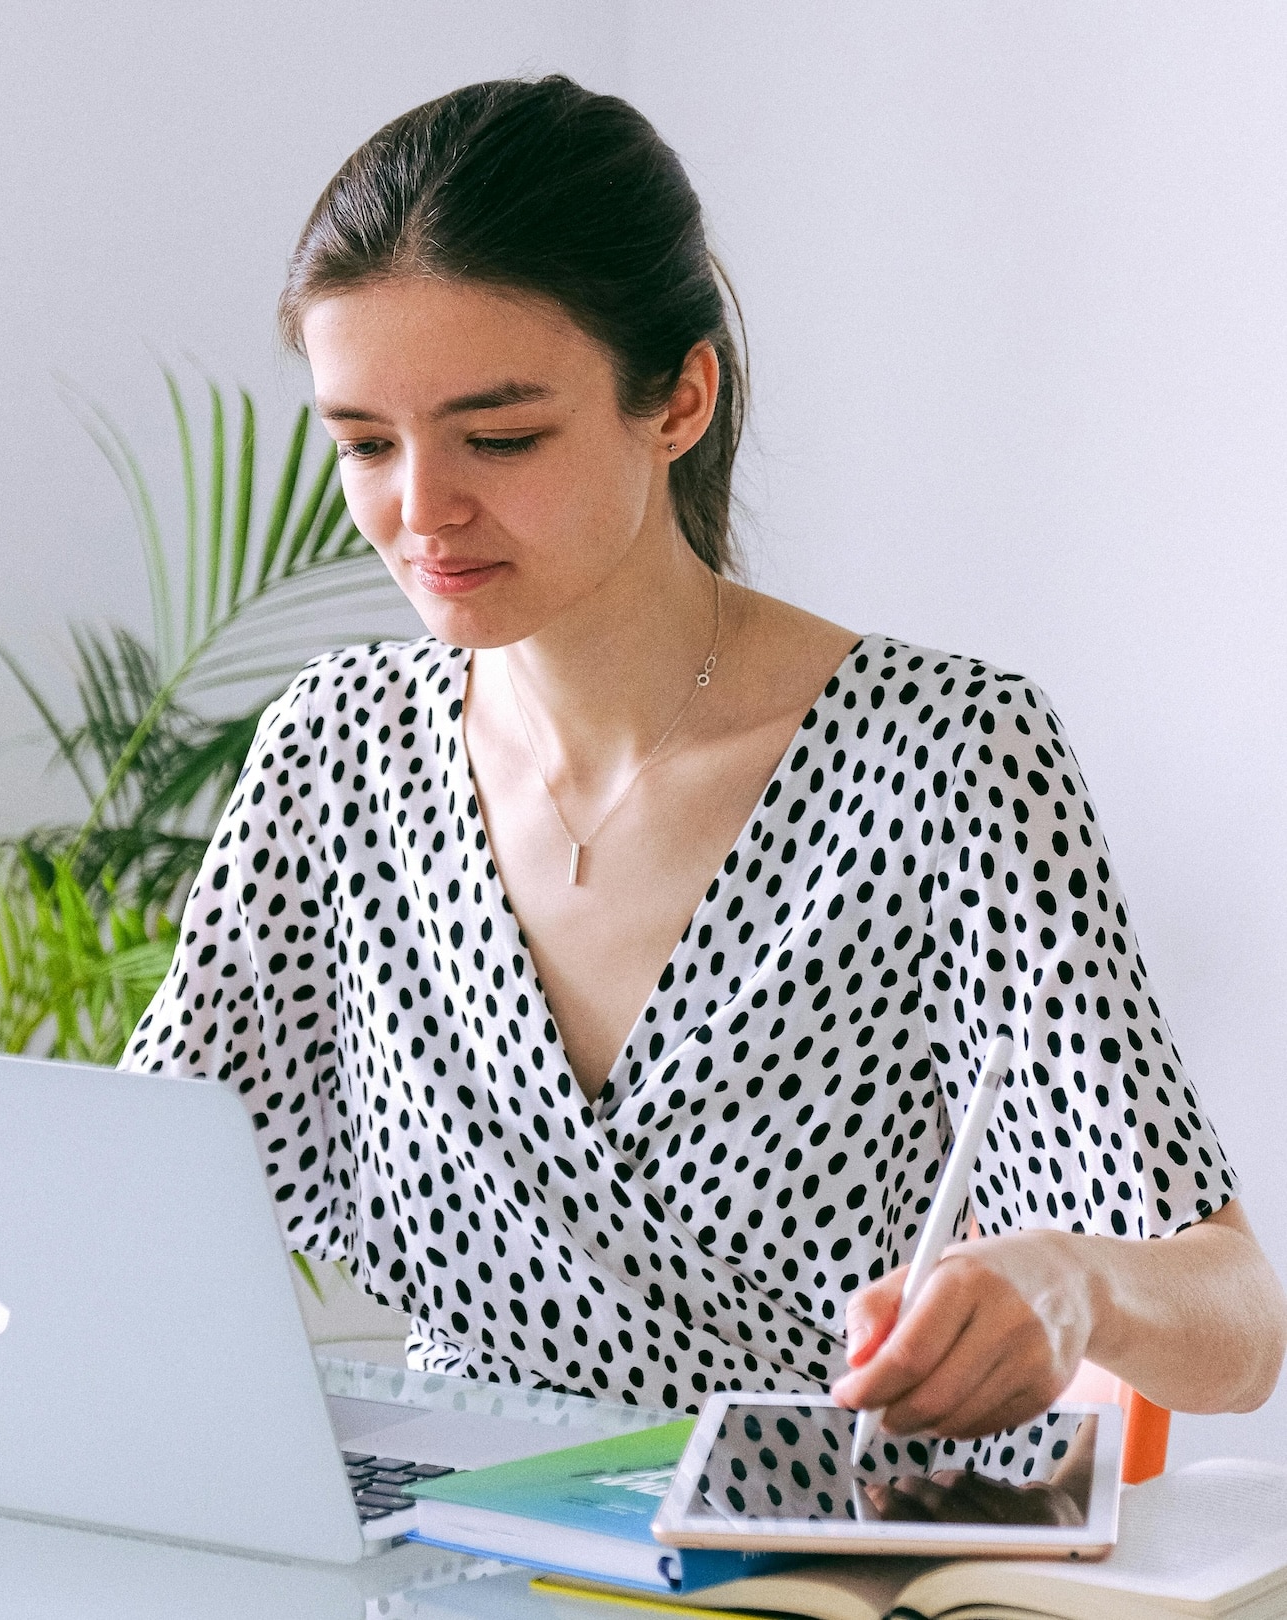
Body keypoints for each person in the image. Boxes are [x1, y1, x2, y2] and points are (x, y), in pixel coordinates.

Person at [122, 76, 1286, 1439]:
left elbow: (1238, 1327)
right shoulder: (338, 751)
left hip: (821, 1548)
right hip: (452, 1545)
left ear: (678, 400)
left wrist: (1074, 1285)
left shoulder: (945, 756)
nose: (422, 511)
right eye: (366, 444)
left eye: (501, 437)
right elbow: (135, 1203)